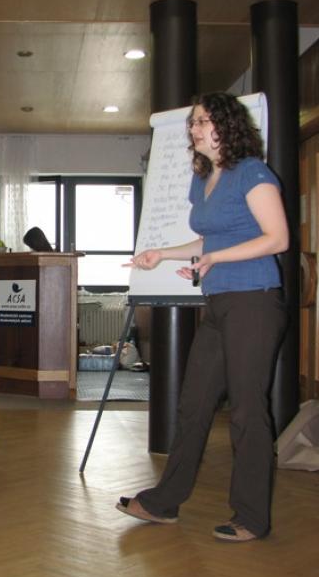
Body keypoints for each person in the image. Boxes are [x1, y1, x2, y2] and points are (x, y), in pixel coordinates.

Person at [117, 92, 289, 542]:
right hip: (218, 304)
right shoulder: (204, 179)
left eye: (202, 121)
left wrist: (215, 258)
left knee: (248, 411)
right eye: (192, 122)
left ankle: (251, 517)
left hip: (254, 302)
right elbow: (207, 241)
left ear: (227, 125)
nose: (193, 129)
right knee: (193, 404)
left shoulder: (252, 172)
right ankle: (164, 502)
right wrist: (162, 254)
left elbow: (277, 238)